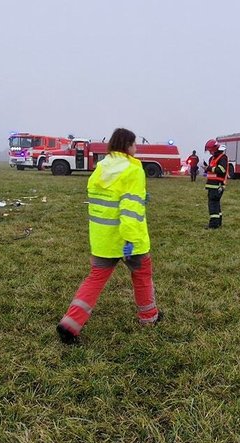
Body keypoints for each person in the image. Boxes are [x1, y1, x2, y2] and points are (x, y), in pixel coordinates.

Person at [56, 127, 162, 344]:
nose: (136, 148)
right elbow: (129, 209)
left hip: (103, 240)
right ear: (128, 145)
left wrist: (141, 198)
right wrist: (131, 239)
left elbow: (108, 203)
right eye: (134, 144)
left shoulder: (101, 168)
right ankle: (149, 317)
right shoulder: (133, 170)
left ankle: (70, 324)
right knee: (142, 277)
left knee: (94, 281)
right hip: (128, 240)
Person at [204, 139, 229, 228]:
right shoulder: (214, 158)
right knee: (216, 204)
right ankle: (218, 223)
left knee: (213, 205)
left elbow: (222, 170)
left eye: (210, 150)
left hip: (217, 185)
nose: (210, 152)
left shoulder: (222, 157)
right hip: (213, 185)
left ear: (215, 149)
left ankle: (213, 224)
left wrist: (209, 168)